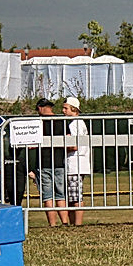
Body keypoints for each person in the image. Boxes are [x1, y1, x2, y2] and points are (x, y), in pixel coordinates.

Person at [31, 98, 68, 227]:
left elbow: (31, 144)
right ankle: (65, 222)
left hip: (43, 163)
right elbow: (68, 139)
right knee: (61, 195)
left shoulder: (38, 123)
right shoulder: (61, 121)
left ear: (40, 108)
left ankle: (52, 224)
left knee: (47, 196)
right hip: (59, 162)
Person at [62, 96, 91, 226]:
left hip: (75, 163)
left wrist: (61, 145)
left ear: (73, 109)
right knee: (73, 195)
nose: (63, 111)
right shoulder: (78, 123)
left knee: (75, 196)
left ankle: (77, 224)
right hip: (78, 162)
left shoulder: (75, 124)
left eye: (66, 108)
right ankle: (74, 223)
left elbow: (74, 145)